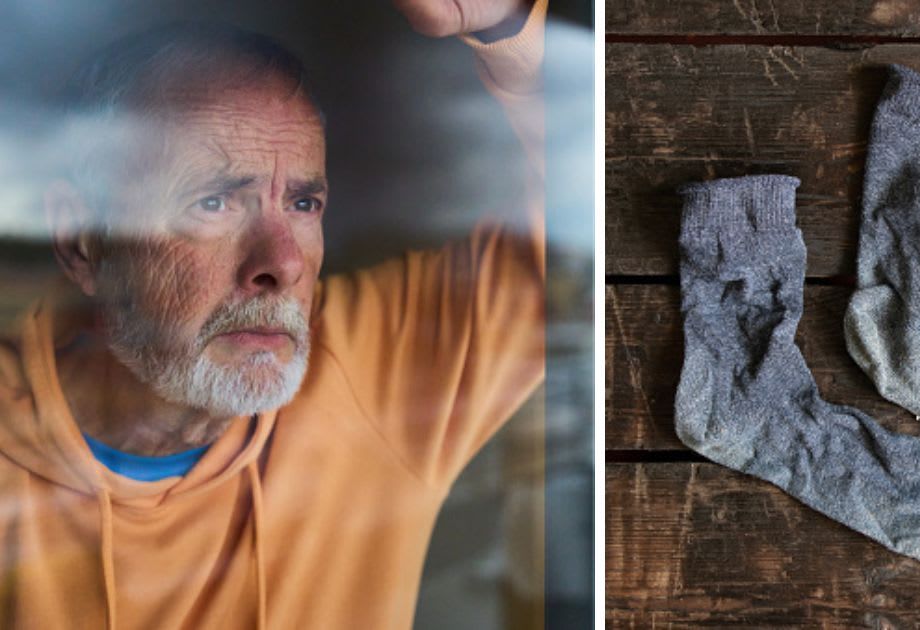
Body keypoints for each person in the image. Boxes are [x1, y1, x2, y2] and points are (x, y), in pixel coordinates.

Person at [0, 0, 545, 627]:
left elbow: (586, 234)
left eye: (303, 203)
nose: (282, 264)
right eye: (214, 202)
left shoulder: (372, 370)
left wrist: (505, 26)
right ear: (81, 241)